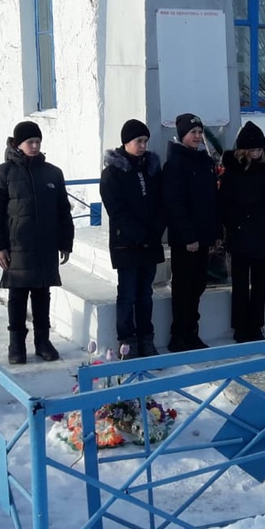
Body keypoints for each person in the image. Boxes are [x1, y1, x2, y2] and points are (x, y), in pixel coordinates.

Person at [0, 120, 74, 364]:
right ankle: (16, 346)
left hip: (45, 246)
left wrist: (66, 242)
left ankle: (43, 341)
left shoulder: (52, 173)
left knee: (42, 295)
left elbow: (63, 210)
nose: (34, 146)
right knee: (18, 297)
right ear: (17, 144)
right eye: (29, 142)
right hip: (16, 247)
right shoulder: (3, 173)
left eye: (37, 142)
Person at [100, 118, 165, 359]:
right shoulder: (112, 174)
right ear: (126, 142)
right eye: (139, 141)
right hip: (126, 243)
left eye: (145, 141)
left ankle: (146, 339)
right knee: (127, 294)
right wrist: (140, 234)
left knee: (145, 294)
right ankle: (127, 342)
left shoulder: (152, 169)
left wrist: (154, 231)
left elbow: (161, 203)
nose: (143, 146)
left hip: (149, 242)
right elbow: (117, 211)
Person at [218, 120, 265, 343]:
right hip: (240, 235)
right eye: (253, 149)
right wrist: (232, 225)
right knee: (239, 283)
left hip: (263, 234)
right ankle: (240, 326)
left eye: (260, 149)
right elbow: (225, 203)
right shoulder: (233, 172)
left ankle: (256, 324)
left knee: (259, 283)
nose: (257, 153)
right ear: (244, 150)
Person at [163, 112, 220, 352]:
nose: (197, 136)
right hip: (185, 240)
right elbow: (175, 203)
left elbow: (212, 201)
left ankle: (192, 332)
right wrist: (189, 237)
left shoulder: (205, 162)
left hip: (204, 237)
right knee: (183, 287)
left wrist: (216, 233)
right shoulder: (175, 163)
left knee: (198, 285)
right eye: (192, 132)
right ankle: (178, 335)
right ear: (182, 135)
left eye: (199, 132)